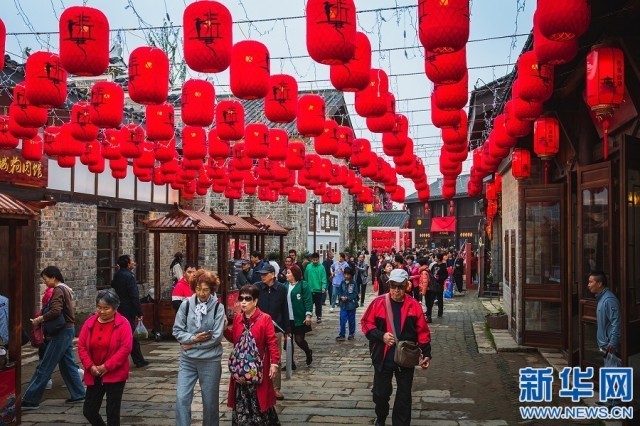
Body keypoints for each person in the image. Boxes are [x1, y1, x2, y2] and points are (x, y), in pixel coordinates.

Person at [360, 269, 432, 426]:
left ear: (406, 286)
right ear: (389, 285)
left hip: (406, 357)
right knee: (380, 394)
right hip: (383, 356)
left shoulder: (414, 306)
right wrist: (381, 336)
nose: (396, 290)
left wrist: (426, 353)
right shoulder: (378, 303)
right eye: (393, 286)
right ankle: (381, 417)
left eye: (400, 286)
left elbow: (422, 331)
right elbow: (366, 323)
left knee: (404, 395)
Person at [22, 266, 86, 410]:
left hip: (61, 332)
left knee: (45, 365)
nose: (45, 283)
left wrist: (40, 319)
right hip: (68, 330)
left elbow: (56, 311)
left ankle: (31, 399)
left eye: (46, 279)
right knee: (67, 364)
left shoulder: (58, 290)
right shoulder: (66, 288)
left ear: (53, 277)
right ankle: (79, 393)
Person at [173, 269, 226, 426]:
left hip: (210, 360)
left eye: (205, 290)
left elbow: (216, 337)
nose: (201, 293)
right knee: (181, 398)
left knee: (210, 402)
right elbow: (177, 330)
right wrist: (193, 338)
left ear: (212, 289)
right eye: (198, 289)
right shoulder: (186, 305)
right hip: (187, 359)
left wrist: (192, 343)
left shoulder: (218, 308)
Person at [224, 284, 280, 425]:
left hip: (258, 369)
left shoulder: (264, 318)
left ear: (255, 301)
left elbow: (272, 342)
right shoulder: (237, 318)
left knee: (259, 402)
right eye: (241, 298)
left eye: (247, 298)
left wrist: (274, 363)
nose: (243, 302)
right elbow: (234, 339)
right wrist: (224, 328)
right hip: (241, 369)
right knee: (241, 402)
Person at [78, 290, 133, 426]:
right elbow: (81, 346)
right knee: (89, 410)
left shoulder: (123, 323)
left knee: (112, 413)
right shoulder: (90, 322)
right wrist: (90, 366)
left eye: (106, 308)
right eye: (99, 307)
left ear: (115, 308)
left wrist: (106, 366)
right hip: (94, 372)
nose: (101, 311)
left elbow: (125, 348)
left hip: (115, 373)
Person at [254, 263, 289, 401]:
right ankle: (259, 384)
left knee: (276, 359)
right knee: (258, 357)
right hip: (259, 328)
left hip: (276, 328)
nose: (262, 276)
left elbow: (285, 308)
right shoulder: (257, 287)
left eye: (265, 274)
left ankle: (275, 388)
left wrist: (287, 329)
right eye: (261, 274)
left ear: (273, 275)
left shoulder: (281, 288)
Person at [110, 255, 149, 368]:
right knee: (131, 336)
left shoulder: (117, 275)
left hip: (119, 308)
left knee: (120, 334)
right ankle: (138, 360)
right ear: (128, 264)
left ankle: (132, 359)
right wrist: (139, 312)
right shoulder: (129, 277)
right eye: (132, 261)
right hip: (128, 309)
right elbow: (134, 296)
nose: (134, 263)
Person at [587, 271, 621, 368]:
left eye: (590, 282)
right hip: (606, 347)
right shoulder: (601, 298)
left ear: (599, 283)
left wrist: (612, 343)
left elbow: (617, 323)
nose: (588, 285)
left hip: (611, 348)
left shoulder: (609, 300)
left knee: (613, 377)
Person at [284, 265, 313, 369]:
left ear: (294, 274)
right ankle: (290, 363)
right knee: (288, 341)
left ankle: (308, 351)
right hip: (287, 318)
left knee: (299, 340)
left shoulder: (303, 285)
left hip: (299, 318)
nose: (286, 275)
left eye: (288, 273)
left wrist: (308, 315)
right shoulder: (285, 286)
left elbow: (308, 301)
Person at [335, 267, 359, 341]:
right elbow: (339, 292)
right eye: (345, 274)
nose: (346, 276)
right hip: (343, 305)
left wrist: (348, 298)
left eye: (348, 274)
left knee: (351, 320)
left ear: (351, 275)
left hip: (351, 305)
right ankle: (342, 334)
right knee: (342, 319)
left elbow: (355, 293)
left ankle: (351, 334)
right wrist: (340, 297)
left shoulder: (353, 283)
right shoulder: (342, 282)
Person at [304, 252, 327, 323]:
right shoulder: (308, 267)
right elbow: (305, 277)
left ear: (318, 259)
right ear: (311, 259)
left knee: (318, 304)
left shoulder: (321, 267)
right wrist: (305, 286)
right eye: (314, 260)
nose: (315, 261)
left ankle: (319, 316)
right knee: (309, 304)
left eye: (316, 260)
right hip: (310, 289)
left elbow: (324, 277)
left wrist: (323, 286)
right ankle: (308, 316)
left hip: (318, 289)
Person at [426, 253, 448, 321]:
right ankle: (429, 314)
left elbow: (445, 275)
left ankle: (440, 312)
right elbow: (431, 273)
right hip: (433, 285)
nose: (435, 258)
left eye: (436, 257)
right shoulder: (434, 265)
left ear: (439, 258)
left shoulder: (443, 266)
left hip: (439, 285)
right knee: (431, 300)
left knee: (440, 299)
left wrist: (440, 278)